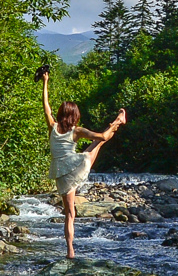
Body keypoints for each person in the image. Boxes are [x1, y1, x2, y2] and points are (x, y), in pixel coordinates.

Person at [41, 70, 126, 259]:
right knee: (99, 142)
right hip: (74, 165)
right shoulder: (76, 130)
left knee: (69, 214)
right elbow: (103, 136)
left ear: (62, 114)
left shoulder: (52, 126)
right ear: (75, 115)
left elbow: (45, 106)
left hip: (60, 173)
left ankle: (70, 251)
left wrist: (45, 82)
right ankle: (119, 121)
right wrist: (112, 126)